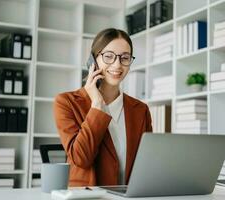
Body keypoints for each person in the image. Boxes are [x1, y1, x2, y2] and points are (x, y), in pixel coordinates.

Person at [53, 28, 152, 187]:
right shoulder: (67, 102)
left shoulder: (140, 110)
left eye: (124, 58)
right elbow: (81, 159)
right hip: (88, 196)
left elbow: (147, 164)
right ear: (93, 60)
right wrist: (97, 105)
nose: (117, 64)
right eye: (108, 56)